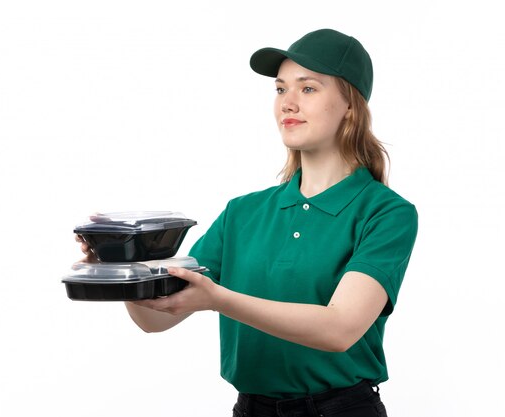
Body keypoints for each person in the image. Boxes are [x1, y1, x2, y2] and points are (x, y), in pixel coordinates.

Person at [78, 28, 418, 417]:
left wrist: (218, 299)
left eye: (308, 89)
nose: (287, 103)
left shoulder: (386, 213)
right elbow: (155, 319)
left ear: (350, 106)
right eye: (280, 89)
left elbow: (339, 328)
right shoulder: (242, 213)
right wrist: (123, 265)